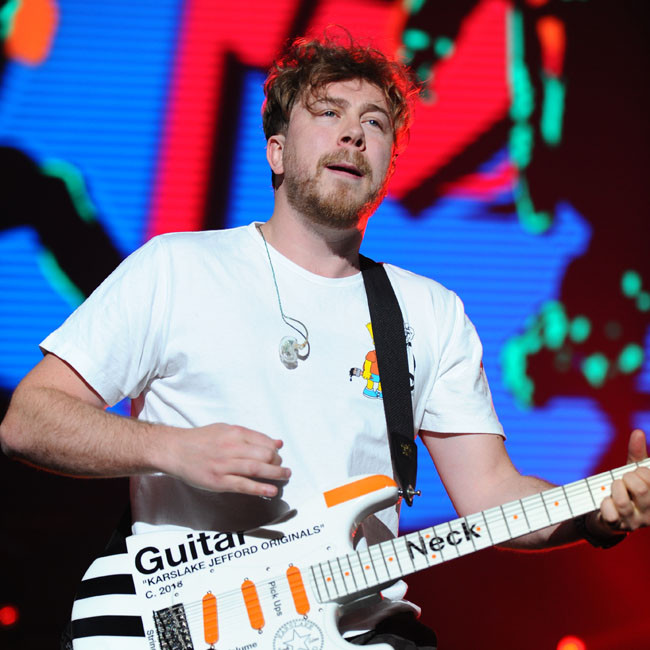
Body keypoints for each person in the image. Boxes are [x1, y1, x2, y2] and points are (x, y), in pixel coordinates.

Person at [1, 35, 649, 650]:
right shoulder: (176, 268)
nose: (353, 133)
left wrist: (597, 513)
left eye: (374, 122)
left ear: (387, 166)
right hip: (190, 621)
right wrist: (172, 448)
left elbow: (492, 493)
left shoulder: (429, 312)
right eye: (329, 112)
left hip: (359, 629)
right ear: (277, 152)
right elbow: (29, 419)